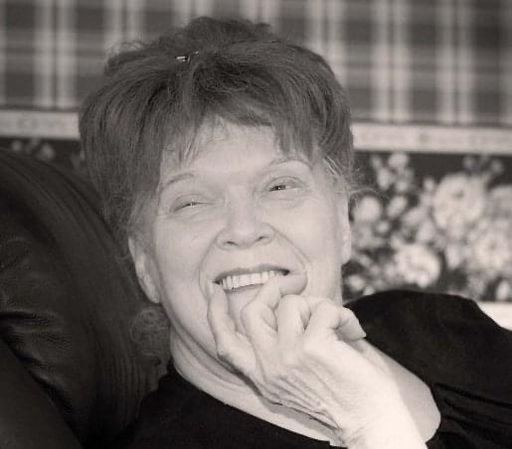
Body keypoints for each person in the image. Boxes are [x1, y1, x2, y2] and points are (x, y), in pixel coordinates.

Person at [79, 16, 512, 449]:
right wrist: (370, 420)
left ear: (341, 219)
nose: (244, 229)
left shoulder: (436, 325)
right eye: (192, 202)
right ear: (145, 263)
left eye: (280, 186)